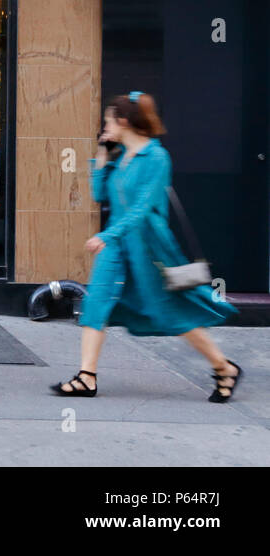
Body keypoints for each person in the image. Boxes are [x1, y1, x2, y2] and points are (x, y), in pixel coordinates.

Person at [51, 92, 242, 402]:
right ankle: (87, 376)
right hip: (116, 244)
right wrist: (101, 153)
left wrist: (107, 236)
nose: (105, 126)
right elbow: (100, 193)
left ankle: (223, 367)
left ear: (124, 121)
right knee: (96, 301)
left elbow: (142, 208)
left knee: (170, 311)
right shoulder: (121, 157)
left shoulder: (156, 157)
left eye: (108, 121)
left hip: (148, 248)